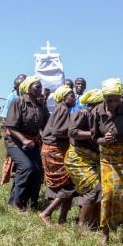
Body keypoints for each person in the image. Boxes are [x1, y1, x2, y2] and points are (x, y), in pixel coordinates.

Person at [90, 78, 123, 246]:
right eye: (109, 99)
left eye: (116, 99)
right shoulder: (96, 112)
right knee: (108, 195)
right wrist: (103, 140)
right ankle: (105, 233)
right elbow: (94, 138)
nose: (113, 103)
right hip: (108, 158)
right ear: (104, 97)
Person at [5, 76, 50, 211]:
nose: (40, 89)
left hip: (33, 142)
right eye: (37, 87)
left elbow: (47, 124)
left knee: (37, 171)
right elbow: (11, 127)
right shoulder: (18, 102)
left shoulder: (40, 104)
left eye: (41, 87)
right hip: (15, 141)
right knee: (26, 168)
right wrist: (24, 140)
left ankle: (31, 203)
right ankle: (17, 203)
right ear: (28, 88)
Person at [64, 89, 104, 230]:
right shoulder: (82, 113)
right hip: (77, 159)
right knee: (94, 188)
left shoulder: (101, 115)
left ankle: (94, 223)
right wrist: (93, 135)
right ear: (95, 103)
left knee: (101, 190)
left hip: (92, 159)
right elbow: (72, 132)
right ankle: (82, 225)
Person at [39, 86, 76, 225]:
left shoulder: (62, 109)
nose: (74, 97)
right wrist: (74, 133)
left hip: (55, 149)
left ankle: (62, 219)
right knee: (69, 185)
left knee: (70, 183)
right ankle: (46, 213)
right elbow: (57, 131)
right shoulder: (63, 109)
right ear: (63, 98)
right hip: (54, 150)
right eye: (71, 94)